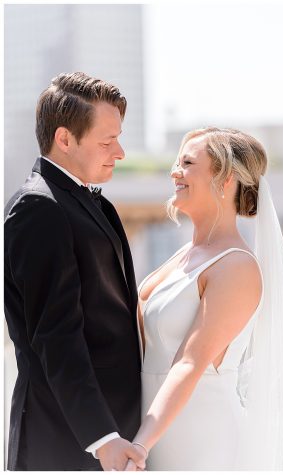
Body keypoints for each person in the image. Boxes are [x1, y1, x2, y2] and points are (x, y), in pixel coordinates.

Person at [129, 127, 283, 470]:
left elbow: (190, 362)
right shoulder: (184, 254)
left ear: (225, 182)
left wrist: (140, 444)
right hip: (156, 431)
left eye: (187, 162)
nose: (173, 172)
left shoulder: (236, 266)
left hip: (202, 439)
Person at [4, 72, 147, 470]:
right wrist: (102, 438)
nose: (119, 152)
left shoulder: (90, 203)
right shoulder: (38, 209)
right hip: (67, 440)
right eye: (107, 141)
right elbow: (56, 336)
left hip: (113, 431)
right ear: (64, 139)